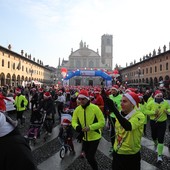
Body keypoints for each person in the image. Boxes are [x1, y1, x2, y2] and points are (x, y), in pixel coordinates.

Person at [106, 91, 145, 170]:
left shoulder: (139, 115)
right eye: (121, 101)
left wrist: (114, 109)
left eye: (125, 101)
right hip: (118, 151)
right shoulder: (120, 113)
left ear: (132, 104)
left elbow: (128, 126)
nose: (121, 103)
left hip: (131, 154)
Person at [0, 94, 37, 170]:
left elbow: (26, 101)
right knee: (18, 117)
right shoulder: (16, 96)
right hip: (18, 109)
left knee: (20, 117)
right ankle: (21, 121)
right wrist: (15, 105)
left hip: (22, 109)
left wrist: (24, 105)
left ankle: (22, 122)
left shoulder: (16, 147)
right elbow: (15, 101)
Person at [72, 89, 105, 170]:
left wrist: (90, 127)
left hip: (95, 137)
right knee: (87, 156)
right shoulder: (77, 109)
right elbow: (73, 121)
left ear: (88, 99)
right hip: (84, 137)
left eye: (83, 99)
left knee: (90, 157)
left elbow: (102, 122)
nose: (81, 101)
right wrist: (77, 127)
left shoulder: (95, 108)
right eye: (79, 99)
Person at [145, 90, 170, 163]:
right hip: (153, 122)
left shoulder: (165, 102)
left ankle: (159, 155)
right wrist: (153, 112)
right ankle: (155, 143)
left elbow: (169, 108)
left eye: (161, 96)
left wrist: (167, 111)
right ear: (155, 96)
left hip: (162, 122)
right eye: (158, 96)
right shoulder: (151, 103)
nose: (160, 97)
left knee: (161, 138)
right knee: (153, 136)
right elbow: (146, 111)